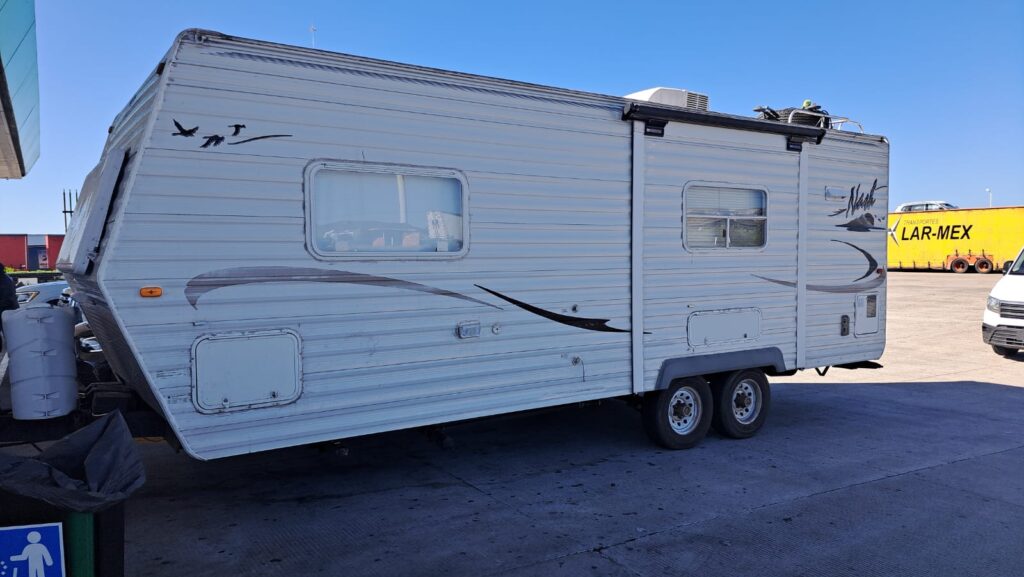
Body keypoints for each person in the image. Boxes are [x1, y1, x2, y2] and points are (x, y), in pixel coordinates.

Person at [0, 262, 18, 351]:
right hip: (9, 309)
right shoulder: (5, 277)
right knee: (9, 333)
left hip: (5, 309)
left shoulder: (3, 280)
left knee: (8, 333)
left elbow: (6, 297)